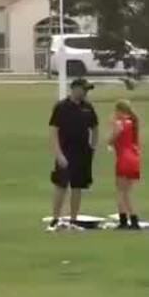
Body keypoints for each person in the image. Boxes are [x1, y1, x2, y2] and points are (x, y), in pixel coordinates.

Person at [48, 77, 99, 231]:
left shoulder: (88, 107)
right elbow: (54, 131)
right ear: (75, 89)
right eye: (84, 89)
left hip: (82, 152)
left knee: (78, 186)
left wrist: (93, 146)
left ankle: (73, 219)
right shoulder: (61, 107)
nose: (86, 93)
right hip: (65, 151)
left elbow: (95, 127)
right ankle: (56, 218)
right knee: (61, 185)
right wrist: (58, 153)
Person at [110, 100, 142, 229]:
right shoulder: (133, 123)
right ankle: (133, 219)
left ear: (120, 111)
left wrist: (112, 125)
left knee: (121, 192)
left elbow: (112, 139)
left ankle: (124, 220)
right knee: (128, 191)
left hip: (124, 159)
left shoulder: (120, 123)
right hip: (134, 158)